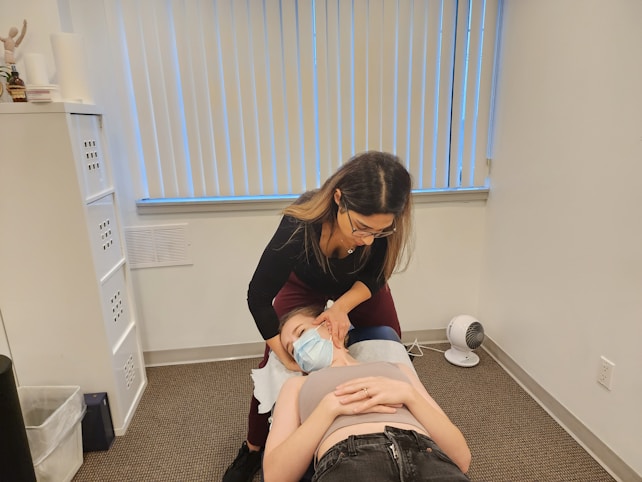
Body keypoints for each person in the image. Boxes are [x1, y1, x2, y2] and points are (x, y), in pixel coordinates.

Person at [223, 151, 414, 482]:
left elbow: (375, 277)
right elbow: (258, 297)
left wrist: (341, 307)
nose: (369, 239)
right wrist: (287, 356)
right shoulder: (299, 225)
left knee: (390, 346)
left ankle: (399, 426)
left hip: (358, 287)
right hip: (304, 284)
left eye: (379, 232)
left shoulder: (383, 222)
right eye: (362, 228)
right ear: (339, 199)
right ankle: (253, 448)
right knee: (273, 364)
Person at [263, 306, 471, 482]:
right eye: (292, 350)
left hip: (425, 454)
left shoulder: (398, 368)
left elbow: (461, 458)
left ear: (328, 324)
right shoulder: (297, 384)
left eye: (301, 333)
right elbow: (274, 476)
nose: (299, 347)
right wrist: (327, 409)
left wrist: (410, 396)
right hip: (348, 460)